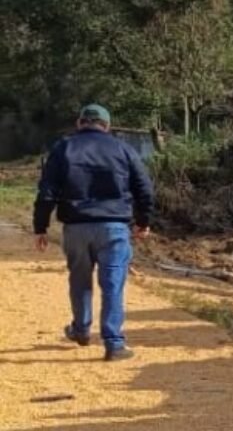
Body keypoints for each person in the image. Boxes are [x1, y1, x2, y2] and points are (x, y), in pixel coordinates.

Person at [32, 104, 154, 361]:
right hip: (114, 227)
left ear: (80, 123)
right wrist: (143, 221)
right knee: (112, 285)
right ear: (107, 126)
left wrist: (40, 226)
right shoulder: (123, 149)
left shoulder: (63, 147)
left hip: (76, 227)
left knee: (79, 281)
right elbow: (144, 188)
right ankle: (114, 343)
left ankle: (81, 329)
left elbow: (47, 191)